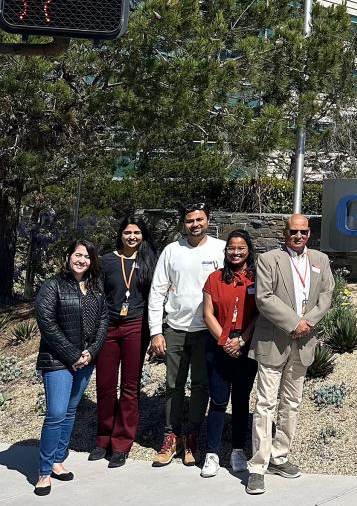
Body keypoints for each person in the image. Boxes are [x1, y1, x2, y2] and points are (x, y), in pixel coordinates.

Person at [246, 214, 333, 495]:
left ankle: (279, 457)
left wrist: (307, 323)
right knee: (265, 404)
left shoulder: (321, 260)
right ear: (285, 233)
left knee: (292, 403)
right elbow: (264, 297)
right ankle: (258, 466)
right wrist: (294, 322)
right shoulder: (268, 259)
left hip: (304, 341)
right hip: (274, 341)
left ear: (310, 233)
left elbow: (327, 295)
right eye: (293, 231)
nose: (298, 236)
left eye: (303, 232)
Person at [147, 202, 225, 468]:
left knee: (201, 385)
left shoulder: (221, 249)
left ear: (208, 220)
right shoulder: (172, 251)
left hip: (206, 332)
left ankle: (192, 436)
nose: (195, 225)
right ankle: (171, 436)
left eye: (200, 219)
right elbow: (157, 292)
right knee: (173, 385)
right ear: (184, 224)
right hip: (175, 329)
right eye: (190, 221)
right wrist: (156, 331)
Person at [34, 240, 108, 496]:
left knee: (69, 412)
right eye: (78, 255)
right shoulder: (53, 285)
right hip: (57, 361)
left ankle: (57, 460)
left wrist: (91, 352)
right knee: (55, 413)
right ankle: (44, 471)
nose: (82, 260)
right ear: (68, 257)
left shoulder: (96, 288)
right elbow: (46, 322)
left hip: (85, 361)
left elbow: (103, 322)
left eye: (87, 256)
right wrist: (72, 354)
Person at [91, 213, 157, 468]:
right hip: (108, 328)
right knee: (105, 385)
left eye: (137, 233)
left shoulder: (149, 261)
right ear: (120, 234)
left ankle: (121, 443)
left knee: (130, 387)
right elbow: (96, 295)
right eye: (128, 232)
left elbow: (157, 294)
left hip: (135, 327)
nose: (132, 237)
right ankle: (103, 438)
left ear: (143, 236)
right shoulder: (107, 261)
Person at [200, 229, 258, 478]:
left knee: (241, 401)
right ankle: (211, 454)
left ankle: (237, 450)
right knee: (218, 401)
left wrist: (242, 340)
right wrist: (225, 342)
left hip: (246, 347)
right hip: (218, 345)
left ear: (248, 250)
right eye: (231, 248)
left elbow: (259, 314)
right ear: (225, 252)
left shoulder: (257, 279)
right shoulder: (214, 278)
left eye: (240, 248)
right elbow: (207, 314)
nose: (235, 252)